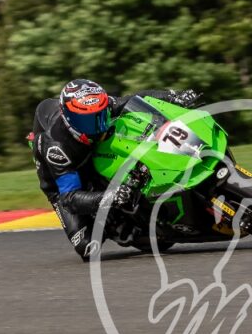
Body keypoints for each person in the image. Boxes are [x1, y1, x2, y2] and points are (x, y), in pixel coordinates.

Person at [29, 79, 201, 259]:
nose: (96, 127)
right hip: (61, 181)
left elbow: (134, 99)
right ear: (69, 120)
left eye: (100, 116)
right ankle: (115, 225)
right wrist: (110, 197)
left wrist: (173, 96)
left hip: (88, 150)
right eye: (87, 122)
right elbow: (69, 198)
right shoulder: (57, 148)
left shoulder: (99, 105)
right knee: (88, 247)